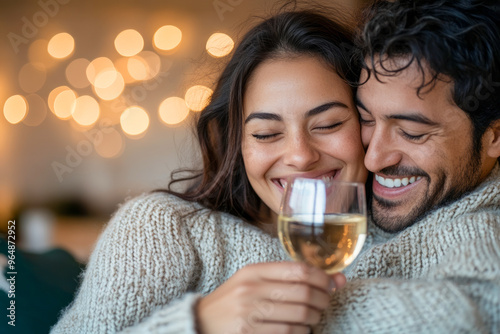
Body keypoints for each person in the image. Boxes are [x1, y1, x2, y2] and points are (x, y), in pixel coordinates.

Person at [51, 8, 367, 334]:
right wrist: (201, 324)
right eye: (266, 134)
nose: (301, 156)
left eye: (328, 125)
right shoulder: (161, 227)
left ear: (370, 121)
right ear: (237, 144)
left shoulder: (404, 233)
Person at [313, 0, 500, 332]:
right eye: (366, 118)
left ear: (495, 136)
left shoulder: (485, 245)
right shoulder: (332, 196)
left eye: (412, 133)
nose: (374, 159)